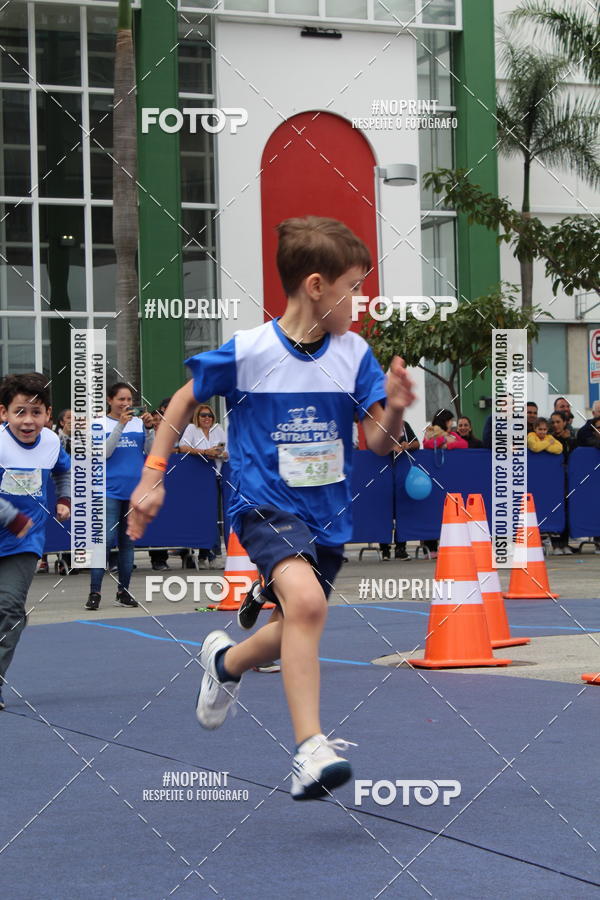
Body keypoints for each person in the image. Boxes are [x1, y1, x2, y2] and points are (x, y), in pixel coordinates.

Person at [127, 216, 415, 800]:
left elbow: (377, 441)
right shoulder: (252, 351)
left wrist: (398, 410)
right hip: (262, 505)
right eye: (353, 289)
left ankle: (226, 661)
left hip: (328, 516)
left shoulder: (354, 353)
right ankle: (310, 750)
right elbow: (183, 401)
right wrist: (152, 477)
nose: (360, 304)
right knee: (306, 604)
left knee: (292, 624)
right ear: (316, 286)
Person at [0, 372, 71, 710]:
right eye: (19, 412)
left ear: (47, 413)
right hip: (11, 528)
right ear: (4, 413)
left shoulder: (52, 443)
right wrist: (10, 517)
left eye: (36, 412)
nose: (28, 420)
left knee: (11, 609)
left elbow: (63, 470)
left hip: (23, 543)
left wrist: (65, 499)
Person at [86, 383, 155, 610]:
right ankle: (95, 591)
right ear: (109, 400)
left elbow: (150, 451)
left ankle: (123, 592)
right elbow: (104, 453)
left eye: (129, 399)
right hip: (108, 490)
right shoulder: (98, 423)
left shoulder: (138, 423)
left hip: (134, 491)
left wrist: (150, 429)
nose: (126, 404)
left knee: (128, 544)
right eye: (121, 399)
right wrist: (119, 427)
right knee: (104, 541)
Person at [179, 404, 228, 567]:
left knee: (217, 516)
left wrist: (220, 453)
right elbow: (183, 447)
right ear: (197, 417)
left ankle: (208, 554)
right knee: (207, 516)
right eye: (203, 415)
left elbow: (229, 451)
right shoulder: (192, 429)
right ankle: (211, 555)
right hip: (200, 477)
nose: (207, 418)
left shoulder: (218, 429)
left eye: (210, 416)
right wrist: (205, 451)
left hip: (218, 475)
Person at [379, 421, 419, 561]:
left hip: (401, 476)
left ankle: (401, 548)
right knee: (384, 512)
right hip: (382, 476)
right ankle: (384, 549)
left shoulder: (404, 425)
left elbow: (417, 444)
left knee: (402, 511)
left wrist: (407, 445)